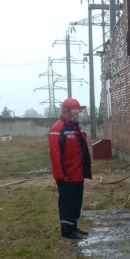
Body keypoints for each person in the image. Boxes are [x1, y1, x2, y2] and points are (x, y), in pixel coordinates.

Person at [48, 98, 92, 240]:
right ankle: (66, 230)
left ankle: (73, 226)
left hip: (77, 173)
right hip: (67, 176)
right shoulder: (58, 129)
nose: (77, 115)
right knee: (67, 202)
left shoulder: (74, 127)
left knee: (76, 202)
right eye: (75, 113)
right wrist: (61, 175)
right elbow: (56, 155)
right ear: (65, 111)